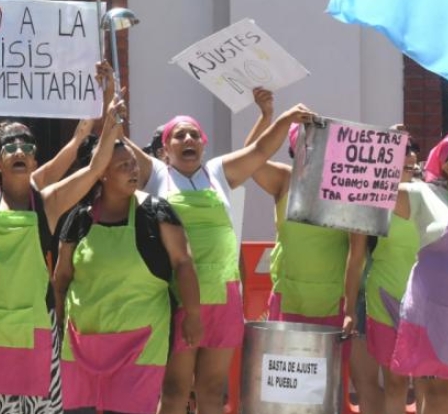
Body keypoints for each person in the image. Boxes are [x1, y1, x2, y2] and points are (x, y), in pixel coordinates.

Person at [127, 101, 314, 414]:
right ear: (165, 148)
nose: (188, 140)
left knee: (213, 392)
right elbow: (118, 141)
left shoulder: (217, 172)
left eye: (194, 135)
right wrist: (106, 106)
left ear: (203, 143)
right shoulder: (157, 175)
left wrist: (282, 118)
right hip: (177, 299)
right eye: (179, 136)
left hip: (224, 298)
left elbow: (260, 151)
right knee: (174, 390)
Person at [0, 63, 114, 414]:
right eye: (9, 146)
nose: (18, 150)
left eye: (26, 146)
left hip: (36, 325)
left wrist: (107, 106)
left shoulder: (46, 202)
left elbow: (92, 167)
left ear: (34, 160)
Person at [54, 138, 202, 414]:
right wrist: (59, 324)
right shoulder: (79, 219)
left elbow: (183, 262)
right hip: (81, 344)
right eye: (124, 166)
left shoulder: (156, 213)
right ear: (101, 173)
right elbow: (61, 279)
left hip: (140, 345)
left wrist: (193, 314)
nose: (134, 170)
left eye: (134, 163)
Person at [243, 89, 350, 328]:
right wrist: (267, 116)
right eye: (306, 144)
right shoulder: (284, 179)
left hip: (336, 300)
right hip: (289, 298)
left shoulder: (348, 185)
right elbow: (249, 159)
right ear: (295, 150)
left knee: (331, 367)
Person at [388, 132, 448, 414]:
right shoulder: (423, 194)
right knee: (438, 392)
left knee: (446, 391)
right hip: (435, 315)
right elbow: (370, 188)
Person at [347, 131, 421, 414]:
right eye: (403, 165)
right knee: (395, 381)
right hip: (383, 298)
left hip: (425, 302)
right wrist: (350, 309)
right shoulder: (371, 201)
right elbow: (354, 260)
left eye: (413, 166)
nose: (409, 170)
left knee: (426, 381)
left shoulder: (429, 197)